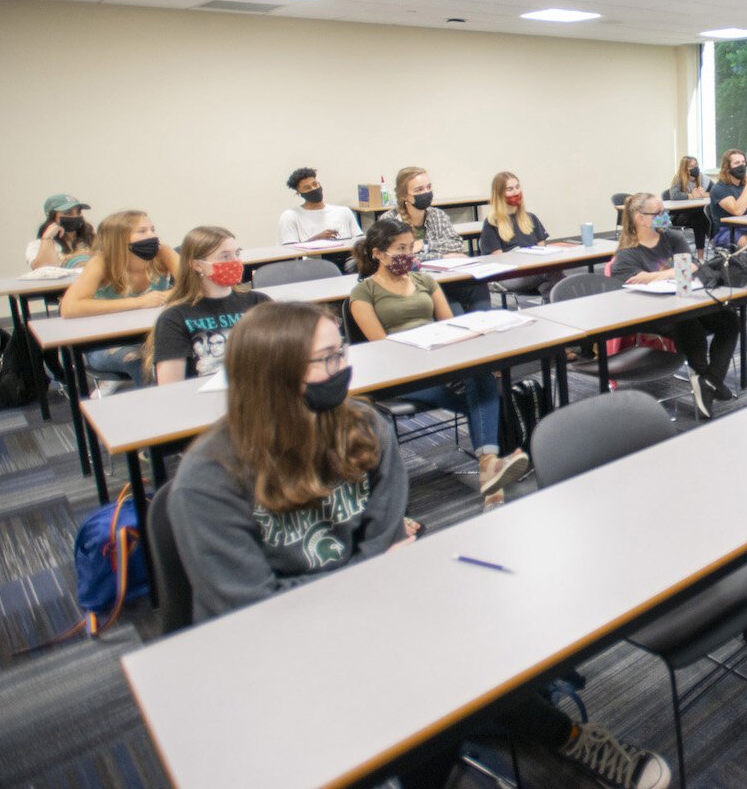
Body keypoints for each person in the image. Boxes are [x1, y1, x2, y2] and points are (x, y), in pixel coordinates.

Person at [167, 301, 670, 789]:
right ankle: (527, 731)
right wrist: (369, 577)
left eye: (342, 352)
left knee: (491, 639)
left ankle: (560, 735)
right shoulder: (210, 478)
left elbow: (384, 543)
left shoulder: (363, 427)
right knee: (443, 678)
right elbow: (250, 609)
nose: (342, 369)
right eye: (326, 361)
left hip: (373, 601)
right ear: (271, 377)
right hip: (272, 645)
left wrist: (375, 579)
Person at [349, 219, 526, 504]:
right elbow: (379, 347)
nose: (408, 255)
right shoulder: (363, 293)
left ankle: (487, 464)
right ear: (378, 253)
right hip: (399, 373)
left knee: (480, 375)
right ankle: (490, 467)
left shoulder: (424, 281)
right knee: (482, 395)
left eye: (411, 247)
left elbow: (450, 324)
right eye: (400, 249)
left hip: (438, 361)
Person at [612, 192, 741, 420]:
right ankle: (706, 379)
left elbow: (691, 267)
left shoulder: (671, 237)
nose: (665, 216)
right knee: (690, 326)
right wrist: (673, 272)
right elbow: (631, 288)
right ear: (641, 218)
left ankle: (709, 380)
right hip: (655, 314)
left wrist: (652, 276)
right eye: (659, 213)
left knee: (729, 319)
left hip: (685, 302)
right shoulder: (627, 254)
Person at [60, 210, 179, 385]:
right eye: (142, 231)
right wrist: (139, 302)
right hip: (104, 344)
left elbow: (193, 287)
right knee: (141, 362)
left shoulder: (161, 254)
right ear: (118, 239)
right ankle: (154, 408)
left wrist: (163, 294)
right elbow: (69, 308)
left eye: (152, 229)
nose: (151, 235)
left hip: (152, 336)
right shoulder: (101, 263)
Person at [150, 226, 270, 385]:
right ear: (197, 265)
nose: (235, 262)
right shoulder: (174, 318)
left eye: (237, 253)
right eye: (225, 256)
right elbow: (170, 386)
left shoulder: (259, 302)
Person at [380, 165, 490, 312]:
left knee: (478, 285)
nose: (426, 192)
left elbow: (456, 245)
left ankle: (486, 327)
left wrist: (424, 244)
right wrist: (442, 255)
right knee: (453, 307)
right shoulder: (390, 221)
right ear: (404, 196)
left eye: (428, 187)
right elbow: (402, 260)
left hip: (445, 277)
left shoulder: (437, 215)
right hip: (413, 283)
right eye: (419, 190)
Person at [480, 171, 567, 300]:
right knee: (553, 274)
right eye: (510, 189)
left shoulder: (531, 218)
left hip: (535, 271)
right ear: (499, 194)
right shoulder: (492, 223)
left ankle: (552, 309)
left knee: (550, 281)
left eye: (517, 187)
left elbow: (543, 250)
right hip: (509, 275)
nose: (516, 192)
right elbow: (497, 261)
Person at [707, 148, 747, 255]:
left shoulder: (746, 185)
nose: (741, 165)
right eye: (737, 163)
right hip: (725, 231)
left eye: (743, 162)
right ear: (727, 167)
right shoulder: (720, 188)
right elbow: (737, 211)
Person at [278, 168, 361, 245]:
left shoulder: (344, 211)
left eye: (315, 184)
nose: (313, 189)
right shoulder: (290, 216)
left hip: (346, 258)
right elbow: (290, 250)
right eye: (307, 188)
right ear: (299, 194)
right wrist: (316, 239)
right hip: (312, 260)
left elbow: (359, 241)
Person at [27, 193, 95, 269]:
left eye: (78, 212)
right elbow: (42, 270)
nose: (75, 216)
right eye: (67, 213)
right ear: (50, 216)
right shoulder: (37, 246)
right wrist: (47, 238)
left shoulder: (93, 240)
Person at [666, 155, 711, 254]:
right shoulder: (679, 179)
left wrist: (705, 194)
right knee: (700, 218)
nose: (695, 168)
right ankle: (701, 255)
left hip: (698, 213)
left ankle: (713, 246)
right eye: (692, 166)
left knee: (706, 218)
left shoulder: (703, 178)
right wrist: (691, 196)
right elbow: (674, 195)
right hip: (680, 215)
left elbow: (716, 191)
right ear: (685, 169)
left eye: (696, 165)